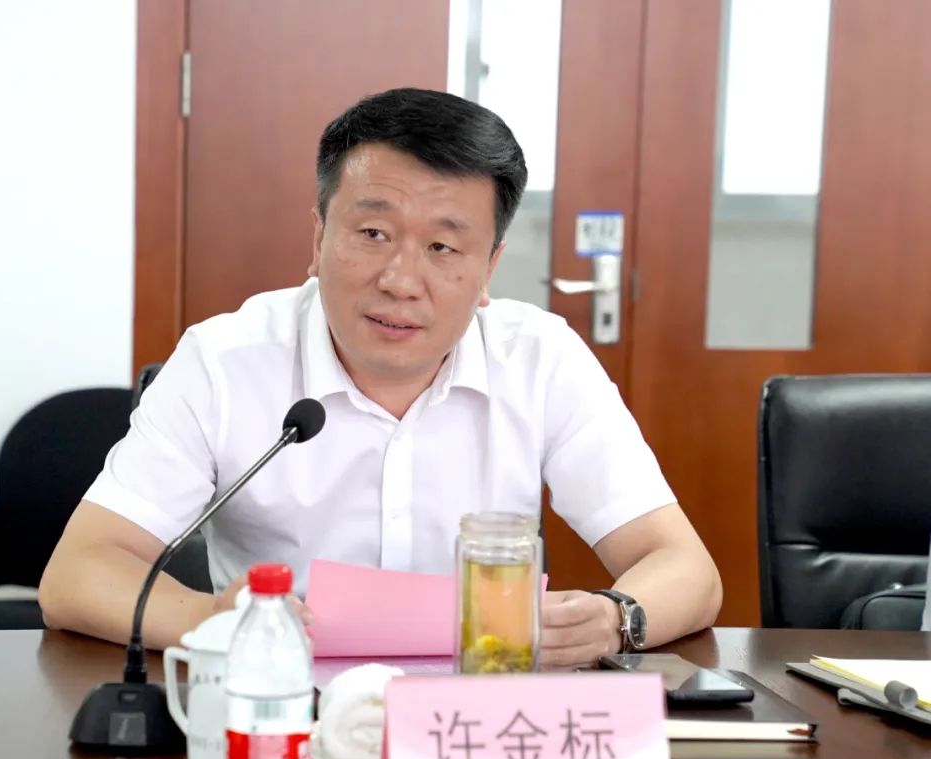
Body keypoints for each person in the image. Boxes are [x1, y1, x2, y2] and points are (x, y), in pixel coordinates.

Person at [39, 88, 722, 667]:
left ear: (488, 268)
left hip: (476, 711)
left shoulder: (541, 359)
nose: (400, 280)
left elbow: (685, 568)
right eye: (373, 234)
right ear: (318, 239)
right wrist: (214, 620)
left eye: (443, 247)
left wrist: (615, 617)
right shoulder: (224, 361)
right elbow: (79, 572)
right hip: (279, 703)